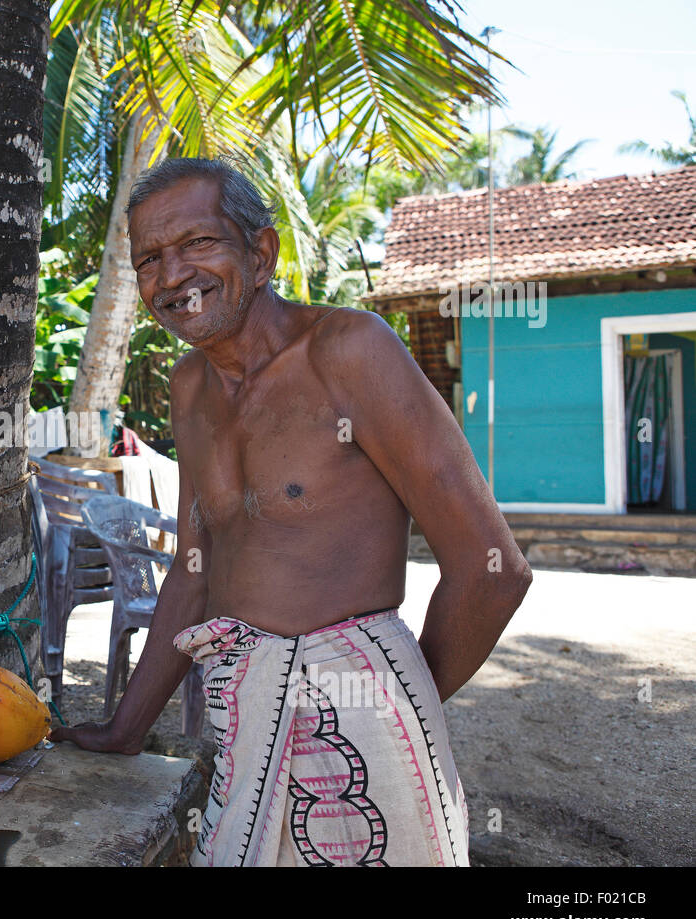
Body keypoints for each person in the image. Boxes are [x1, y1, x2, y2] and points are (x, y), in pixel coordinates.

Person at [50, 158, 532, 867]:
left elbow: (494, 571)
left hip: (364, 724)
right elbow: (194, 569)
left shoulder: (350, 351)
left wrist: (397, 706)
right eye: (149, 258)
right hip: (243, 715)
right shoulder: (189, 388)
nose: (171, 274)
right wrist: (127, 727)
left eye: (198, 243)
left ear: (262, 252)